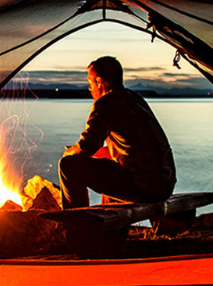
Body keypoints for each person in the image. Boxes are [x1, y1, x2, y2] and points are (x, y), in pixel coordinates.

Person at [58, 56, 176, 209]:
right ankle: (110, 231)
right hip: (164, 185)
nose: (89, 88)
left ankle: (79, 225)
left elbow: (86, 146)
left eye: (90, 82)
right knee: (110, 167)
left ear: (99, 82)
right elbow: (131, 150)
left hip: (144, 187)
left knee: (68, 165)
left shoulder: (105, 104)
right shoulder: (135, 99)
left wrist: (71, 152)